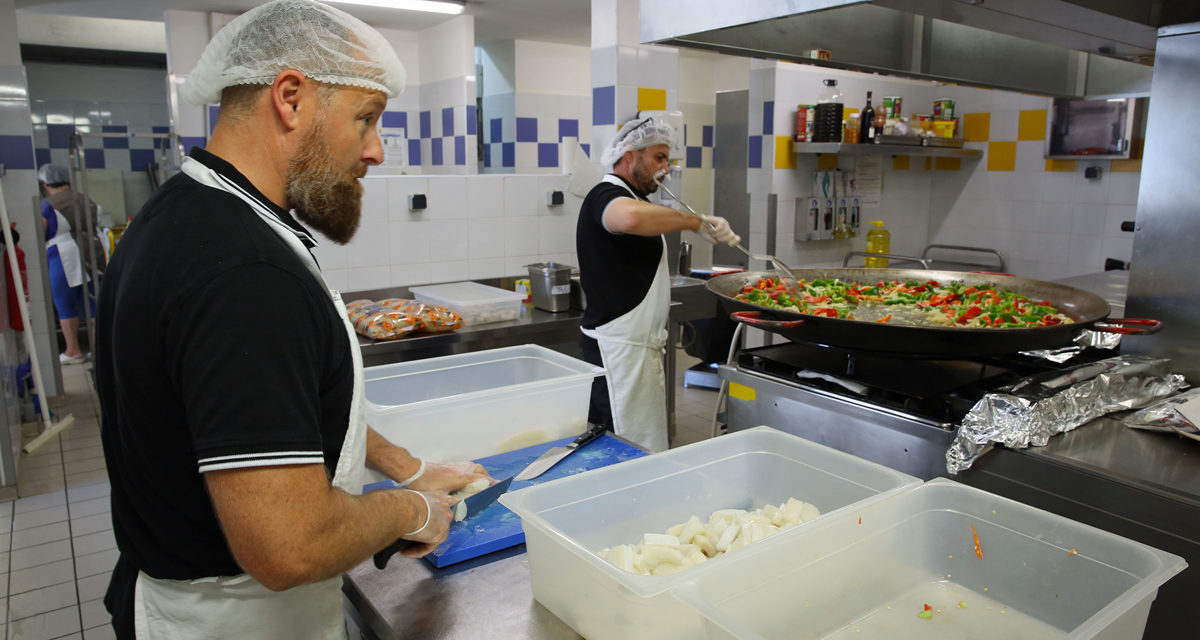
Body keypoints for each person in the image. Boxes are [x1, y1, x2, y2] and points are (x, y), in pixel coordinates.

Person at [94, 1, 490, 637]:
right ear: (291, 97)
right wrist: (408, 510)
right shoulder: (243, 274)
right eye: (365, 118)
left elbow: (272, 405)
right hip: (233, 622)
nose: (376, 150)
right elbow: (291, 546)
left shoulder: (185, 213)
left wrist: (405, 466)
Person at [575, 116, 740, 452]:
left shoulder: (637, 199)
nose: (666, 169)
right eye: (659, 157)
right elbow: (630, 218)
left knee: (644, 447)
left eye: (668, 160)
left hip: (636, 351)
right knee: (625, 450)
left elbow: (640, 216)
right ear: (629, 155)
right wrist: (694, 221)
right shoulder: (604, 194)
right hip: (619, 353)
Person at [37, 163, 102, 364]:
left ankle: (73, 350)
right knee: (93, 300)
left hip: (62, 253)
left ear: (45, 183)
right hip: (93, 250)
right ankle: (100, 348)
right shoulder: (86, 200)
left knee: (64, 302)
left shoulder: (48, 205)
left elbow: (41, 230)